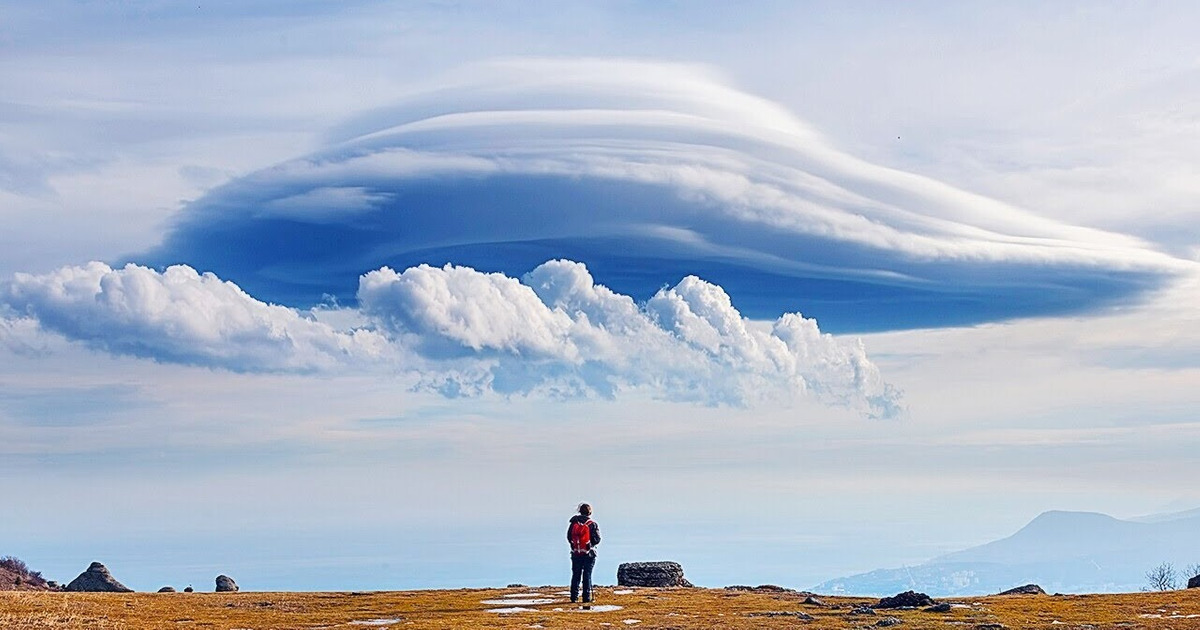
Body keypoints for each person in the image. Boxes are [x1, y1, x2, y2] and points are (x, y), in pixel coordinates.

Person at [567, 502, 601, 604]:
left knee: (576, 575)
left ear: (579, 511)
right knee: (587, 575)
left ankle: (574, 597)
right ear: (590, 512)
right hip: (589, 554)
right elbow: (597, 539)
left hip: (576, 553)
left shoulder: (573, 523)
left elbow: (569, 537)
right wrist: (590, 544)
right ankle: (586, 598)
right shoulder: (592, 524)